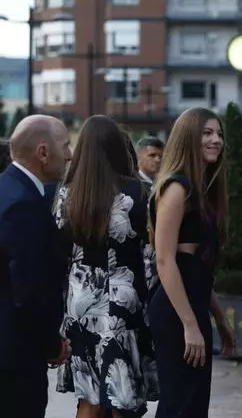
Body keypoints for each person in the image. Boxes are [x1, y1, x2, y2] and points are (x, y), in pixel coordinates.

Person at [52, 115, 158, 418]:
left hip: (79, 304)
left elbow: (58, 254)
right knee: (122, 401)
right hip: (125, 305)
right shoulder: (139, 193)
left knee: (89, 399)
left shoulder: (66, 195)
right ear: (117, 147)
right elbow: (150, 257)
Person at [147, 107, 235, 418]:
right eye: (207, 133)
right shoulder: (177, 188)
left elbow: (198, 268)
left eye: (219, 134)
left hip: (192, 308)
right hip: (175, 313)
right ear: (188, 139)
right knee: (178, 406)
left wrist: (219, 319)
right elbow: (165, 259)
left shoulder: (202, 192)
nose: (216, 140)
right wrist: (189, 324)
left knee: (194, 407)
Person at [0, 114, 72, 418]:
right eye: (65, 145)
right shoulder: (23, 204)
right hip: (14, 358)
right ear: (43, 153)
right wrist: (51, 344)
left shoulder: (8, 189)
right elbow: (27, 290)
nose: (69, 154)